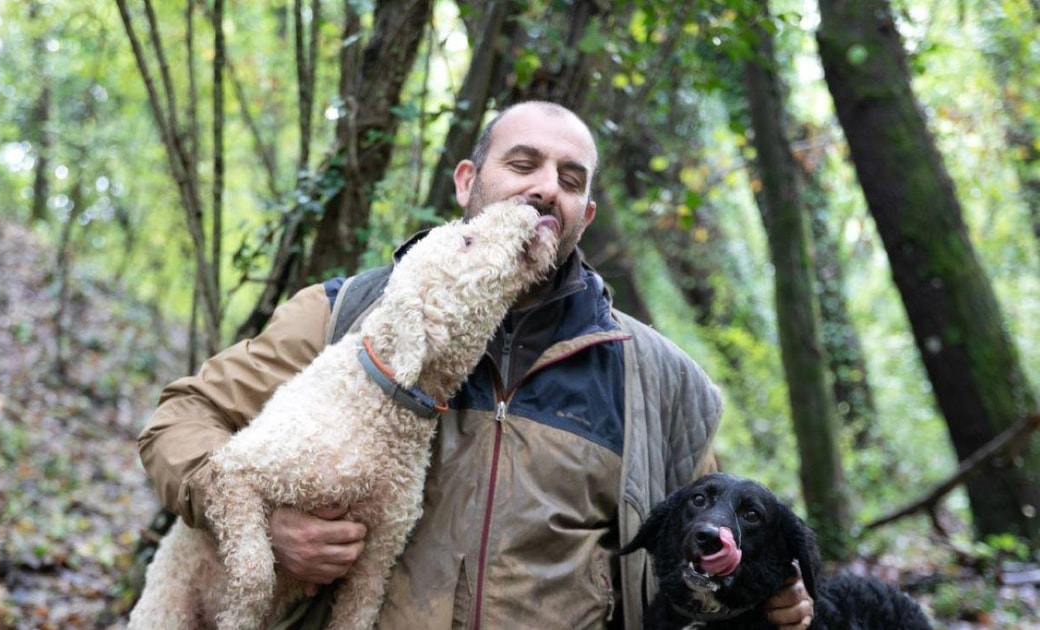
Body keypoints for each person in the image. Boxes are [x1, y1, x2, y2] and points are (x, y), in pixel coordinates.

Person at [138, 100, 814, 629]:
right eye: (524, 165)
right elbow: (180, 420)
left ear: (587, 212)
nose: (548, 188)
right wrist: (262, 529)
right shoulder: (352, 317)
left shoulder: (655, 379)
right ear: (468, 181)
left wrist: (779, 600)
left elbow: (714, 541)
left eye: (570, 180)